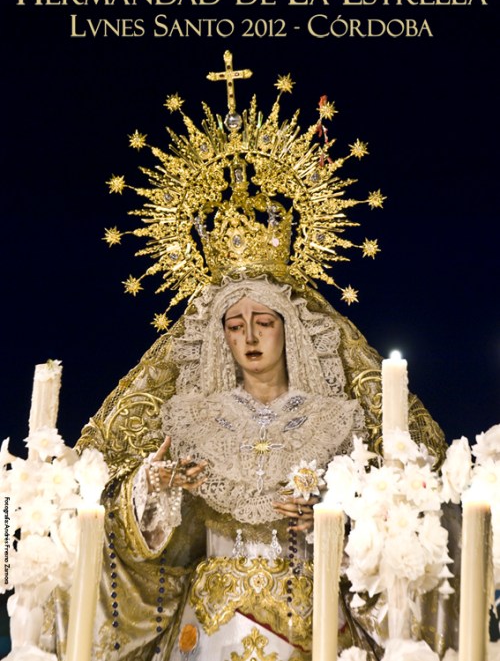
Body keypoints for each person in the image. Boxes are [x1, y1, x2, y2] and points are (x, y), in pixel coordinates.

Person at [40, 52, 457, 660]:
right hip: (208, 628)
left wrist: (332, 522)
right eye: (235, 326)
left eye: (264, 322)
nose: (250, 337)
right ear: (220, 338)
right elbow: (119, 524)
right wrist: (153, 491)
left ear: (292, 330)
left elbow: (401, 520)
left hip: (314, 624)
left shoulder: (335, 419)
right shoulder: (191, 418)